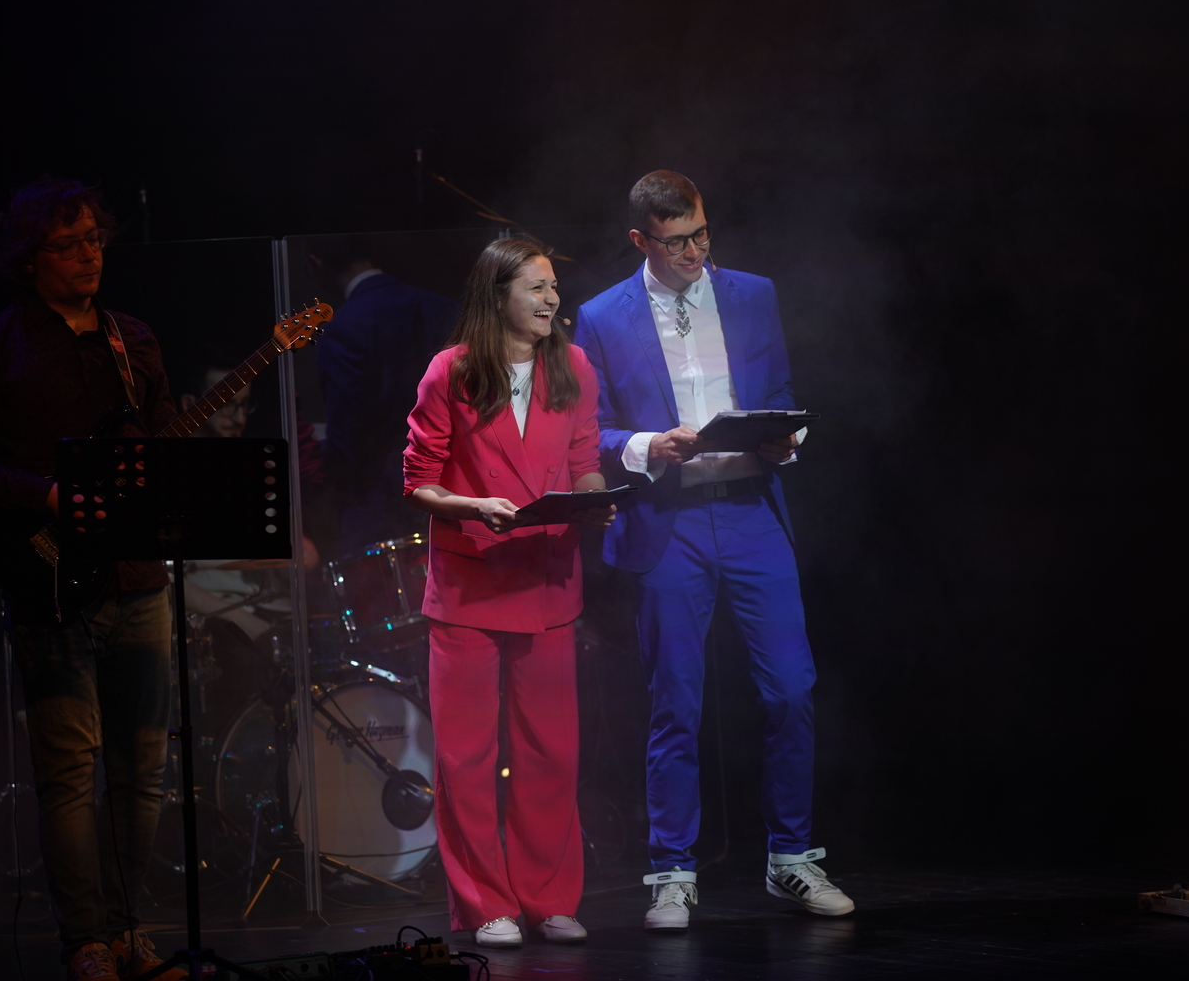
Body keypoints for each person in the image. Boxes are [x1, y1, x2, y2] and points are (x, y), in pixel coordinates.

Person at [575, 170, 855, 930]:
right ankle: (672, 871)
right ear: (641, 239)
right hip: (671, 520)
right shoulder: (601, 316)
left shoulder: (753, 294)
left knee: (790, 690)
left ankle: (792, 858)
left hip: (752, 511)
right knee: (676, 699)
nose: (694, 251)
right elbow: (590, 430)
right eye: (676, 242)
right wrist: (647, 445)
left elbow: (781, 392)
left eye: (701, 234)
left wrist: (784, 438)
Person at [0, 178, 185, 981]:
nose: (87, 256)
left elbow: (159, 439)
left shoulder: (132, 338)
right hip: (47, 580)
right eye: (68, 244)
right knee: (71, 775)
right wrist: (44, 494)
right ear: (29, 258)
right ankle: (85, 940)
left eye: (94, 240)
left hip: (138, 576)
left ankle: (128, 930)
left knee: (142, 773)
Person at [402, 235, 613, 948]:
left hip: (547, 579)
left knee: (550, 752)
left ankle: (549, 899)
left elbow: (584, 460)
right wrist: (473, 506)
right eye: (537, 287)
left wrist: (594, 500)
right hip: (469, 586)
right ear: (498, 298)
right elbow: (419, 481)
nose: (552, 299)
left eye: (553, 286)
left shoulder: (573, 366)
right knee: (465, 758)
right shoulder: (452, 371)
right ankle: (485, 904)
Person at [312, 236, 458, 550]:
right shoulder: (442, 307)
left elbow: (348, 430)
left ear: (317, 265)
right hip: (452, 482)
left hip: (379, 496)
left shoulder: (345, 326)